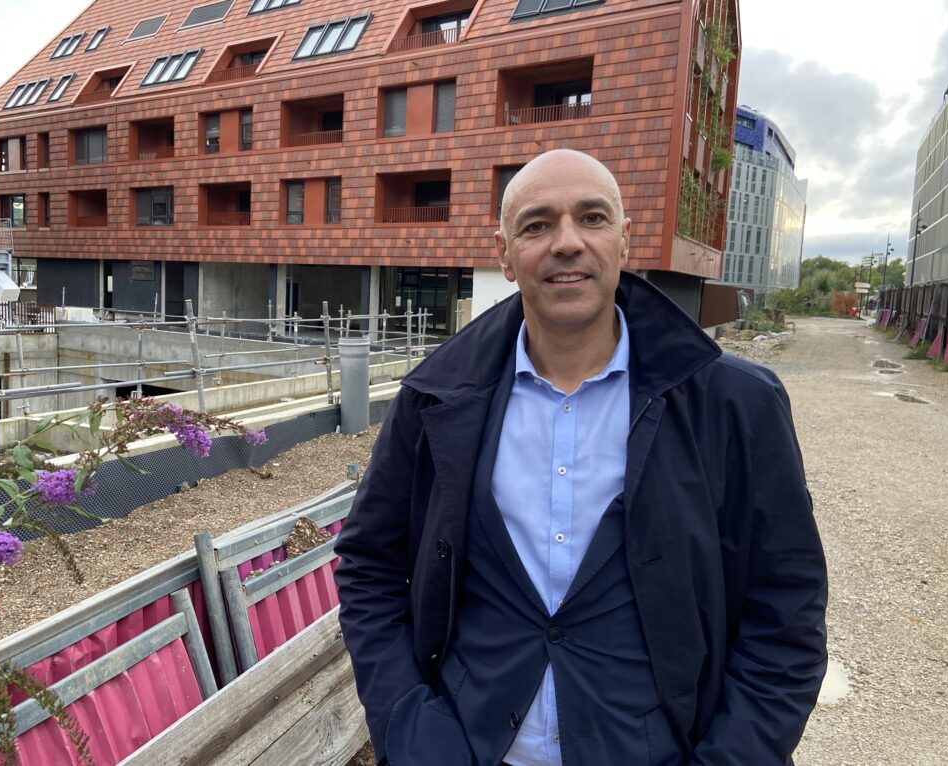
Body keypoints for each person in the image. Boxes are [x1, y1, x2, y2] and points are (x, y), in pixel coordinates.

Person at [333, 149, 827, 766]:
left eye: (591, 218)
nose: (566, 243)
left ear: (625, 240)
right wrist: (413, 734)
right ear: (504, 255)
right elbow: (368, 566)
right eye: (536, 225)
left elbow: (786, 611)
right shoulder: (434, 399)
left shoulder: (734, 405)